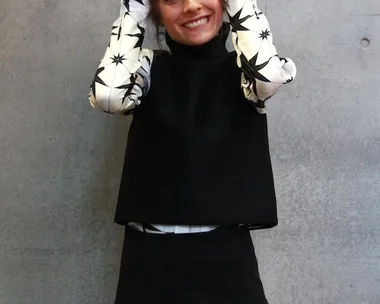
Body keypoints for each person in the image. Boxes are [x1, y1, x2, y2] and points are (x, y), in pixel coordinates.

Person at [89, 0, 296, 302]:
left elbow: (268, 78)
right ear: (154, 12)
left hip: (226, 259)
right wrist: (133, 12)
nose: (191, 6)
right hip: (149, 263)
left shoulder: (243, 72)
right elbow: (109, 96)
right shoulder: (147, 68)